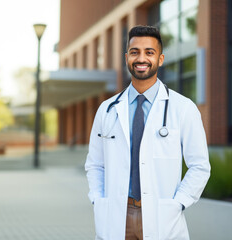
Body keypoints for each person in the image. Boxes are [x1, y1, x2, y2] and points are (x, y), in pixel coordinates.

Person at [85, 25, 211, 240]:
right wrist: (98, 198)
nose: (141, 58)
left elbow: (200, 166)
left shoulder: (183, 108)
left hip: (162, 219)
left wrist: (178, 203)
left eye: (149, 52)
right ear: (127, 58)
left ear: (160, 59)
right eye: (135, 52)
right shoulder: (107, 109)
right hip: (116, 216)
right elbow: (95, 164)